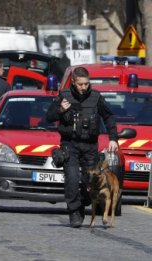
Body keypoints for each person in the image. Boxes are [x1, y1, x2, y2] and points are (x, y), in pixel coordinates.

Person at [46, 67, 118, 228]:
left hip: (90, 146)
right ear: (73, 82)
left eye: (86, 83)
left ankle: (83, 203)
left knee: (90, 182)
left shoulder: (96, 97)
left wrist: (113, 139)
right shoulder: (64, 96)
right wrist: (60, 110)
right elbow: (48, 117)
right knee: (71, 179)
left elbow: (109, 117)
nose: (84, 87)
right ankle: (74, 212)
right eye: (80, 84)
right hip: (70, 144)